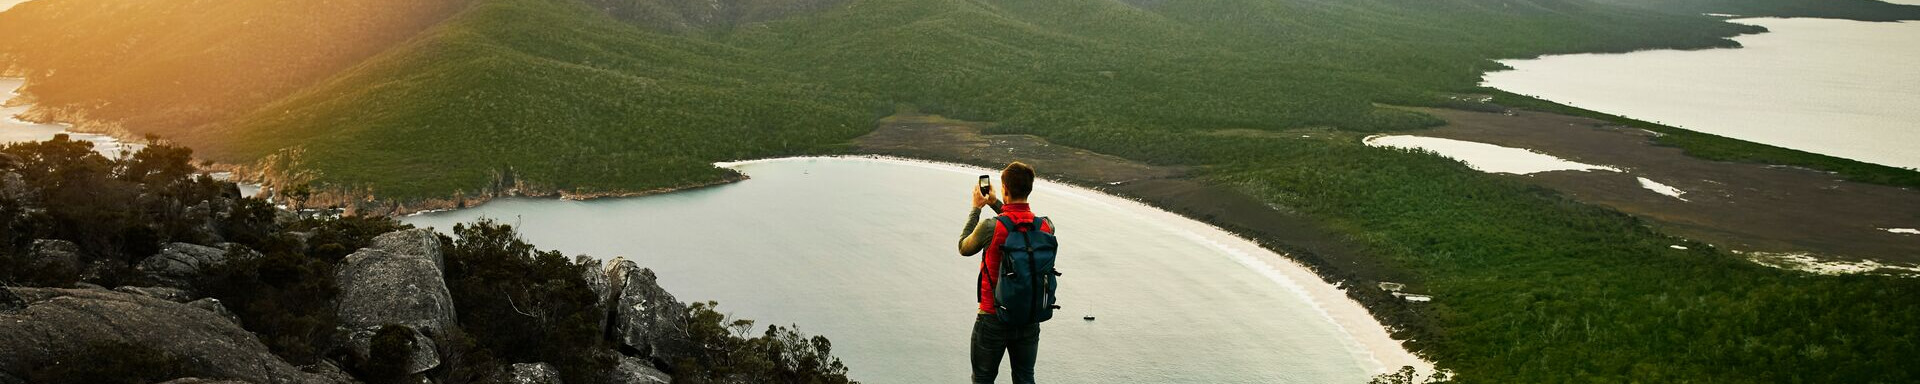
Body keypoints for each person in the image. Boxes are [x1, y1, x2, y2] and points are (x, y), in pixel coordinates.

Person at [957, 161, 1055, 384]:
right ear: (1029, 189)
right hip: (1029, 318)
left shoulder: (991, 227)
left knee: (983, 379)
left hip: (993, 317)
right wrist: (996, 203)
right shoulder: (1046, 227)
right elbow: (1019, 220)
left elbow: (963, 247)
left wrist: (977, 208)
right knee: (1024, 378)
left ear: (1005, 189)